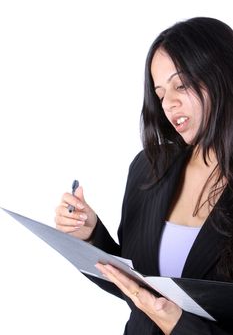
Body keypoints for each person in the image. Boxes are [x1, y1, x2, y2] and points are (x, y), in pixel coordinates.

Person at [55, 17, 233, 334]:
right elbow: (136, 285)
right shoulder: (149, 167)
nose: (168, 103)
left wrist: (176, 322)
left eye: (181, 85)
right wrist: (91, 236)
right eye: (160, 92)